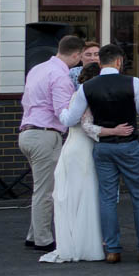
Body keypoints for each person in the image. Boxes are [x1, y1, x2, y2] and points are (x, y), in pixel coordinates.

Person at [61, 42, 139, 262]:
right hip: (129, 145)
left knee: (106, 197)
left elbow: (73, 118)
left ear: (101, 61)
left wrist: (61, 111)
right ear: (118, 61)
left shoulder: (87, 87)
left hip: (103, 147)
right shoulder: (133, 82)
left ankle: (113, 249)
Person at [39, 62, 111, 264]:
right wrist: (111, 135)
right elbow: (83, 124)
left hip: (73, 147)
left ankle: (73, 242)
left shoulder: (82, 95)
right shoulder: (86, 96)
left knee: (73, 197)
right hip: (82, 149)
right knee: (84, 195)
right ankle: (85, 244)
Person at [19, 33, 85, 252]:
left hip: (27, 132)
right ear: (75, 55)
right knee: (46, 191)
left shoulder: (37, 69)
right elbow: (63, 112)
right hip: (45, 134)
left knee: (41, 187)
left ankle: (33, 234)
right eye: (80, 57)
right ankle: (43, 239)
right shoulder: (60, 76)